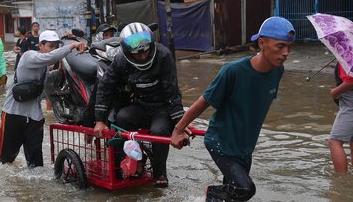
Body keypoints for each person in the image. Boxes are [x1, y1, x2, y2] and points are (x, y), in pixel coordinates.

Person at [170, 16, 295, 202]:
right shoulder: (233, 71)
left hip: (245, 147)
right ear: (262, 43)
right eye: (280, 46)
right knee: (245, 189)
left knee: (234, 195)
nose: (286, 53)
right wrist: (178, 130)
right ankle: (210, 193)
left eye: (289, 47)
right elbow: (204, 101)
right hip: (222, 142)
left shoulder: (278, 71)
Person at [93, 22, 185, 188]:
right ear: (128, 53)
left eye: (146, 52)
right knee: (122, 118)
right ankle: (132, 162)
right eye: (138, 54)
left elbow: (172, 91)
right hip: (140, 105)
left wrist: (181, 124)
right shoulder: (121, 60)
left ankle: (160, 173)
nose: (143, 56)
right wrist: (99, 120)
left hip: (161, 109)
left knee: (159, 131)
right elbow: (105, 86)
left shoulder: (163, 55)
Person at [0, 30, 86, 167]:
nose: (54, 49)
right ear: (40, 45)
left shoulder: (45, 66)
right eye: (51, 46)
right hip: (13, 114)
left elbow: (50, 76)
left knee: (36, 164)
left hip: (34, 117)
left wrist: (62, 68)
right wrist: (72, 46)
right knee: (5, 161)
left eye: (56, 46)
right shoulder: (29, 56)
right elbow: (50, 57)